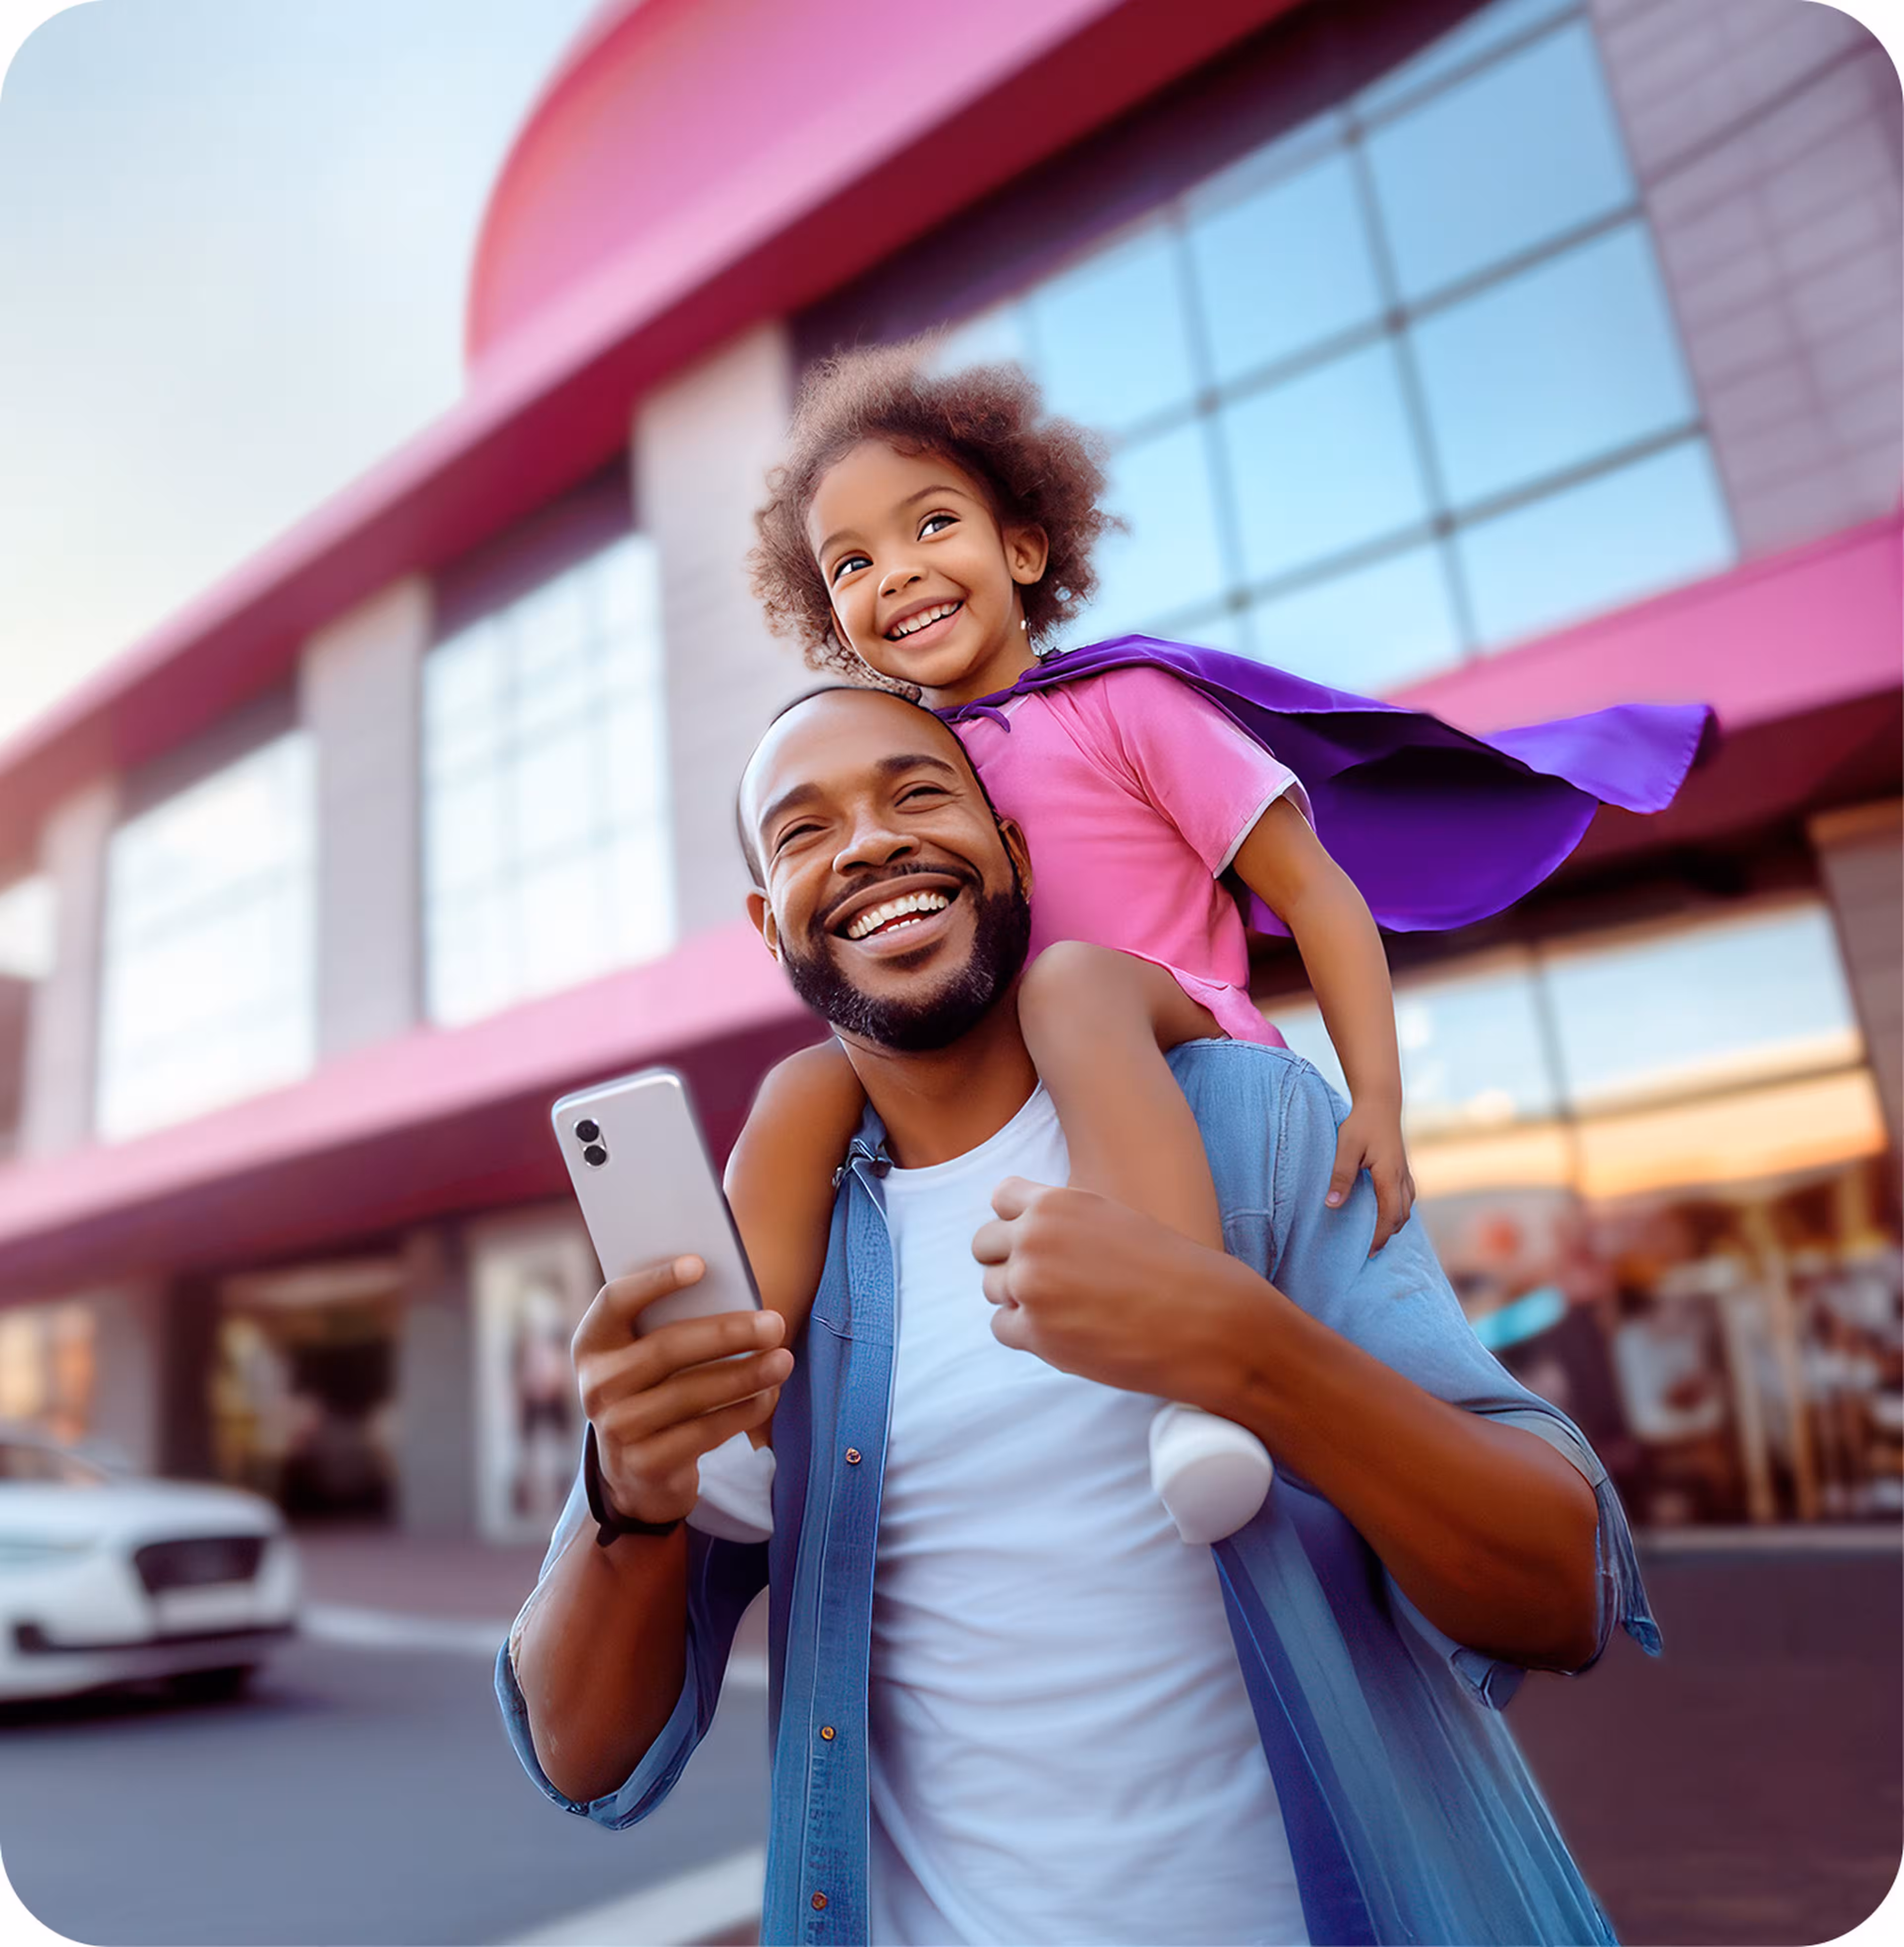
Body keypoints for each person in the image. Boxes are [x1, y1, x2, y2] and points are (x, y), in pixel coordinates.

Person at [498, 683, 1660, 1946]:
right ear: (765, 924)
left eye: (917, 792)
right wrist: (629, 1498)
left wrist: (1252, 1354)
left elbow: (1560, 1592)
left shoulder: (1253, 1132)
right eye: (803, 831)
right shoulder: (766, 1263)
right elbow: (580, 1752)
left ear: (1014, 851)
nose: (871, 842)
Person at [726, 343, 1713, 1544]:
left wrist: (1379, 1103)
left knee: (1074, 986)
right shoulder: (920, 773)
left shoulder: (1131, 707)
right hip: (1040, 1087)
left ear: (1023, 551)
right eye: (853, 562)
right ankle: (733, 1426)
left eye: (933, 524)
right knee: (806, 1085)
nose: (899, 573)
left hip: (1183, 1033)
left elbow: (1319, 891)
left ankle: (1195, 1397)